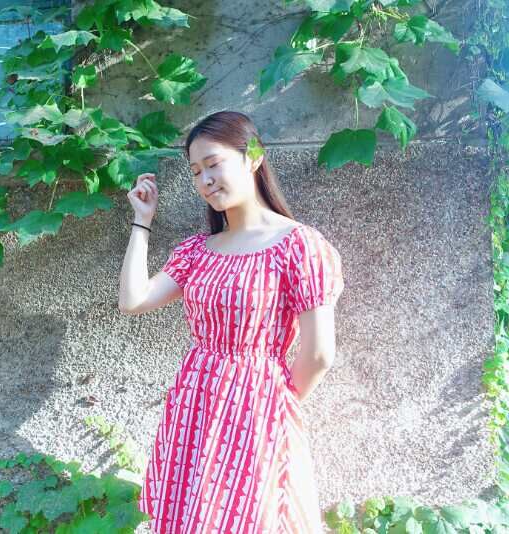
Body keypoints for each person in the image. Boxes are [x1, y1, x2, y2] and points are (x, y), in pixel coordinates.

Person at [118, 110, 345, 533]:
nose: (205, 179)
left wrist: (274, 406)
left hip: (259, 411)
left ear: (253, 156)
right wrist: (141, 222)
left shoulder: (299, 246)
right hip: (195, 409)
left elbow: (318, 354)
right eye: (196, 171)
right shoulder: (197, 251)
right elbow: (134, 300)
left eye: (213, 164)